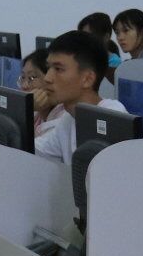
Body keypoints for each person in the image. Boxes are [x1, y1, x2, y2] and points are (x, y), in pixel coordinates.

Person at [35, 31, 126, 164]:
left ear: (87, 79)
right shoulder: (69, 120)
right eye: (49, 68)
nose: (47, 78)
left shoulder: (114, 117)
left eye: (58, 69)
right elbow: (34, 150)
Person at [18, 48, 59, 136]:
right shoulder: (36, 113)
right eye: (23, 77)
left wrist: (27, 109)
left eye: (32, 77)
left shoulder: (62, 118)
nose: (24, 86)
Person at [78, 11, 123, 78]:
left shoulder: (114, 63)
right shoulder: (83, 61)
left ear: (106, 37)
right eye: (83, 37)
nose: (84, 41)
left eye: (89, 36)